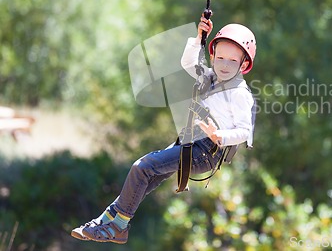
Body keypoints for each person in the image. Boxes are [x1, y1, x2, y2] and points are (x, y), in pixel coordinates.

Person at [70, 17, 256, 244]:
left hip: (207, 150)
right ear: (213, 56)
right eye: (220, 58)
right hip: (191, 142)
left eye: (232, 60)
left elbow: (245, 130)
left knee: (143, 167)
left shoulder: (239, 94)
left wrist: (220, 136)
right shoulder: (210, 77)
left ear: (243, 64)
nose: (224, 65)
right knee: (149, 178)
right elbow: (188, 63)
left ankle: (119, 227)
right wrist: (199, 37)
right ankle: (106, 219)